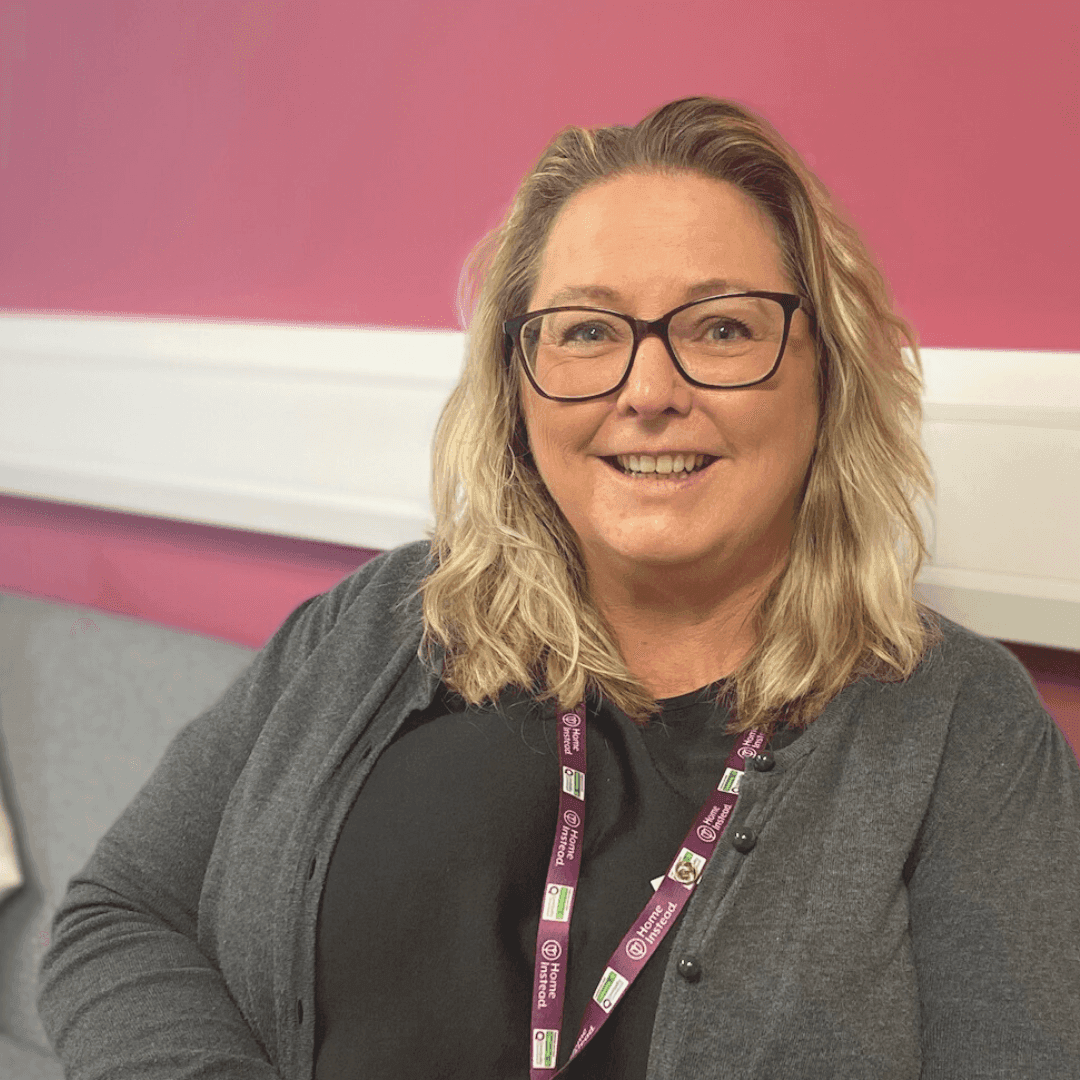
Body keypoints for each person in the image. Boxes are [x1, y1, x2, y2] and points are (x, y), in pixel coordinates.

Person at [37, 96, 1080, 1080]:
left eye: (722, 328)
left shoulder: (963, 730)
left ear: (828, 374)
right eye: (587, 330)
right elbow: (122, 914)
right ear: (518, 383)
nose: (650, 391)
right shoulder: (376, 624)